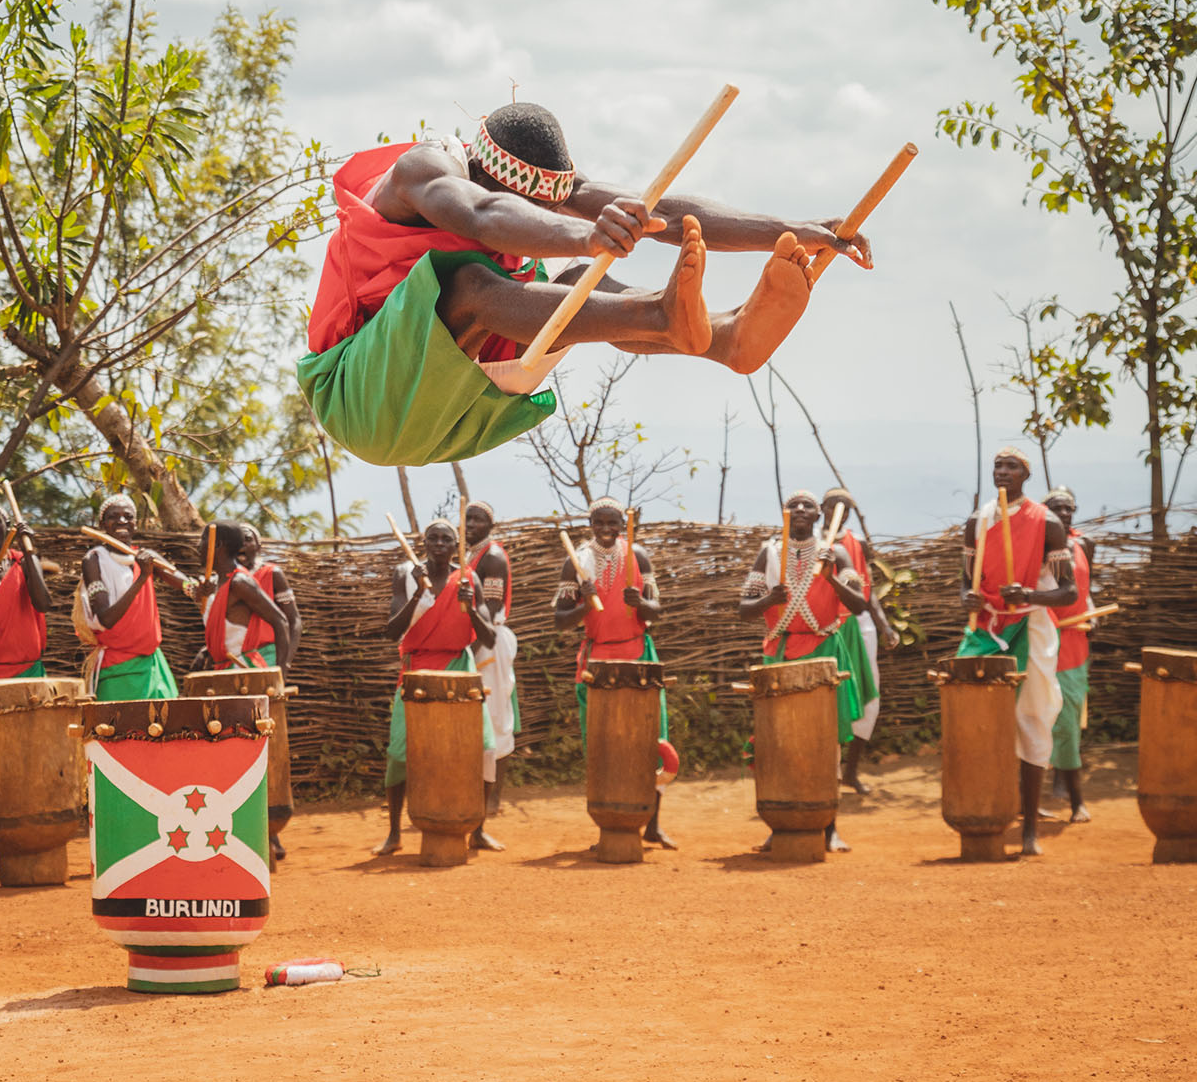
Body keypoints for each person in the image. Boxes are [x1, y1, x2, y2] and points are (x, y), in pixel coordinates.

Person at [297, 102, 872, 467]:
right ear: (489, 172)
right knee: (473, 282)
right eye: (535, 210)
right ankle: (660, 315)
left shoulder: (542, 184)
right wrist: (584, 238)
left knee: (574, 284)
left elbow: (661, 210)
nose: (541, 220)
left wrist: (789, 229)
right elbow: (482, 215)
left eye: (554, 206)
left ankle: (724, 337)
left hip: (452, 409)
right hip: (360, 401)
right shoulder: (425, 173)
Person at [739, 490, 874, 853]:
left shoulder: (837, 552)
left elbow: (859, 605)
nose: (799, 509)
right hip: (779, 653)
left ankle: (829, 826)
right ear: (783, 515)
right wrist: (769, 599)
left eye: (808, 506)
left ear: (819, 516)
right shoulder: (769, 553)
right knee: (777, 742)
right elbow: (744, 608)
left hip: (823, 650)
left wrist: (830, 578)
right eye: (792, 505)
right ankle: (779, 824)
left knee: (824, 742)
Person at [959, 448, 1075, 856]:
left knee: (1031, 720)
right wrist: (969, 600)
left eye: (1011, 467)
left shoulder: (1047, 523)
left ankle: (1029, 830)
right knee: (976, 718)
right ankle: (981, 815)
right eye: (997, 466)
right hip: (987, 628)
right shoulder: (978, 520)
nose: (1002, 472)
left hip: (1033, 624)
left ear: (1026, 475)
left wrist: (1029, 594)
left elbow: (1068, 592)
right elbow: (965, 583)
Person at [553, 497, 675, 850]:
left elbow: (657, 610)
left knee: (651, 738)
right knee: (605, 744)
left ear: (623, 524)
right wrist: (582, 604)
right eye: (600, 523)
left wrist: (641, 604)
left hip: (639, 653)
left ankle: (652, 824)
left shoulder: (638, 557)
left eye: (613, 523)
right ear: (591, 524)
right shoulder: (576, 561)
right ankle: (609, 822)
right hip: (597, 659)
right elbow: (560, 621)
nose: (606, 530)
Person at [374, 518, 501, 856]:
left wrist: (471, 607)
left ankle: (478, 830)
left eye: (448, 539)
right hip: (416, 668)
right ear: (424, 542)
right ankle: (394, 833)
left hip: (460, 666)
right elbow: (391, 631)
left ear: (456, 544)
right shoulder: (406, 573)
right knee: (400, 751)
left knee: (484, 747)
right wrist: (419, 593)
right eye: (434, 538)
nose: (441, 544)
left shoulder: (469, 577)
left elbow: (489, 638)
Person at [820, 488, 899, 795]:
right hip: (825, 626)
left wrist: (885, 627)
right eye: (832, 505)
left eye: (845, 506)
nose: (838, 510)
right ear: (821, 510)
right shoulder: (813, 546)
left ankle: (850, 772)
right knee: (829, 697)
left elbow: (867, 592)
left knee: (868, 695)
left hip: (858, 624)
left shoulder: (857, 544)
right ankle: (827, 769)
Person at [77, 494, 193, 700]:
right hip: (116, 668)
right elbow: (105, 618)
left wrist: (198, 588)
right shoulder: (94, 560)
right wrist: (142, 578)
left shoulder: (147, 557)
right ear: (103, 524)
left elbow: (186, 584)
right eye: (114, 516)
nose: (122, 521)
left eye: (128, 516)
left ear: (135, 524)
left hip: (151, 665)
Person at [1044, 486, 1095, 824]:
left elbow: (1087, 587)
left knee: (1070, 715)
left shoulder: (1084, 545)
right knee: (1039, 715)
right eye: (1057, 509)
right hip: (1044, 636)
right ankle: (1030, 797)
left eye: (1068, 508)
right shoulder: (1041, 546)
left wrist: (1089, 609)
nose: (1064, 514)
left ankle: (1074, 798)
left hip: (1075, 641)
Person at [465, 501, 519, 815]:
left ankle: (493, 799)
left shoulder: (493, 557)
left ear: (490, 526)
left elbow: (493, 610)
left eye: (477, 519)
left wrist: (467, 652)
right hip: (471, 642)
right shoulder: (470, 555)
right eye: (467, 519)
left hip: (488, 643)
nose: (470, 524)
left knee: (496, 718)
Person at [200, 521, 293, 671]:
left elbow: (285, 621)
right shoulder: (219, 583)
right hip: (229, 664)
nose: (200, 546)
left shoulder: (246, 580)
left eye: (248, 539)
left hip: (254, 662)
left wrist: (282, 668)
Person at [237, 522, 302, 670]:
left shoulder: (272, 574)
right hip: (232, 657)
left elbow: (294, 620)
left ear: (258, 546)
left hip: (266, 658)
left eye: (247, 539)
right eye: (236, 540)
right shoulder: (226, 580)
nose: (241, 544)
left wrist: (284, 662)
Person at [0, 504, 51, 679]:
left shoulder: (23, 561)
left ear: (7, 526)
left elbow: (43, 604)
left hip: (27, 671)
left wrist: (29, 553)